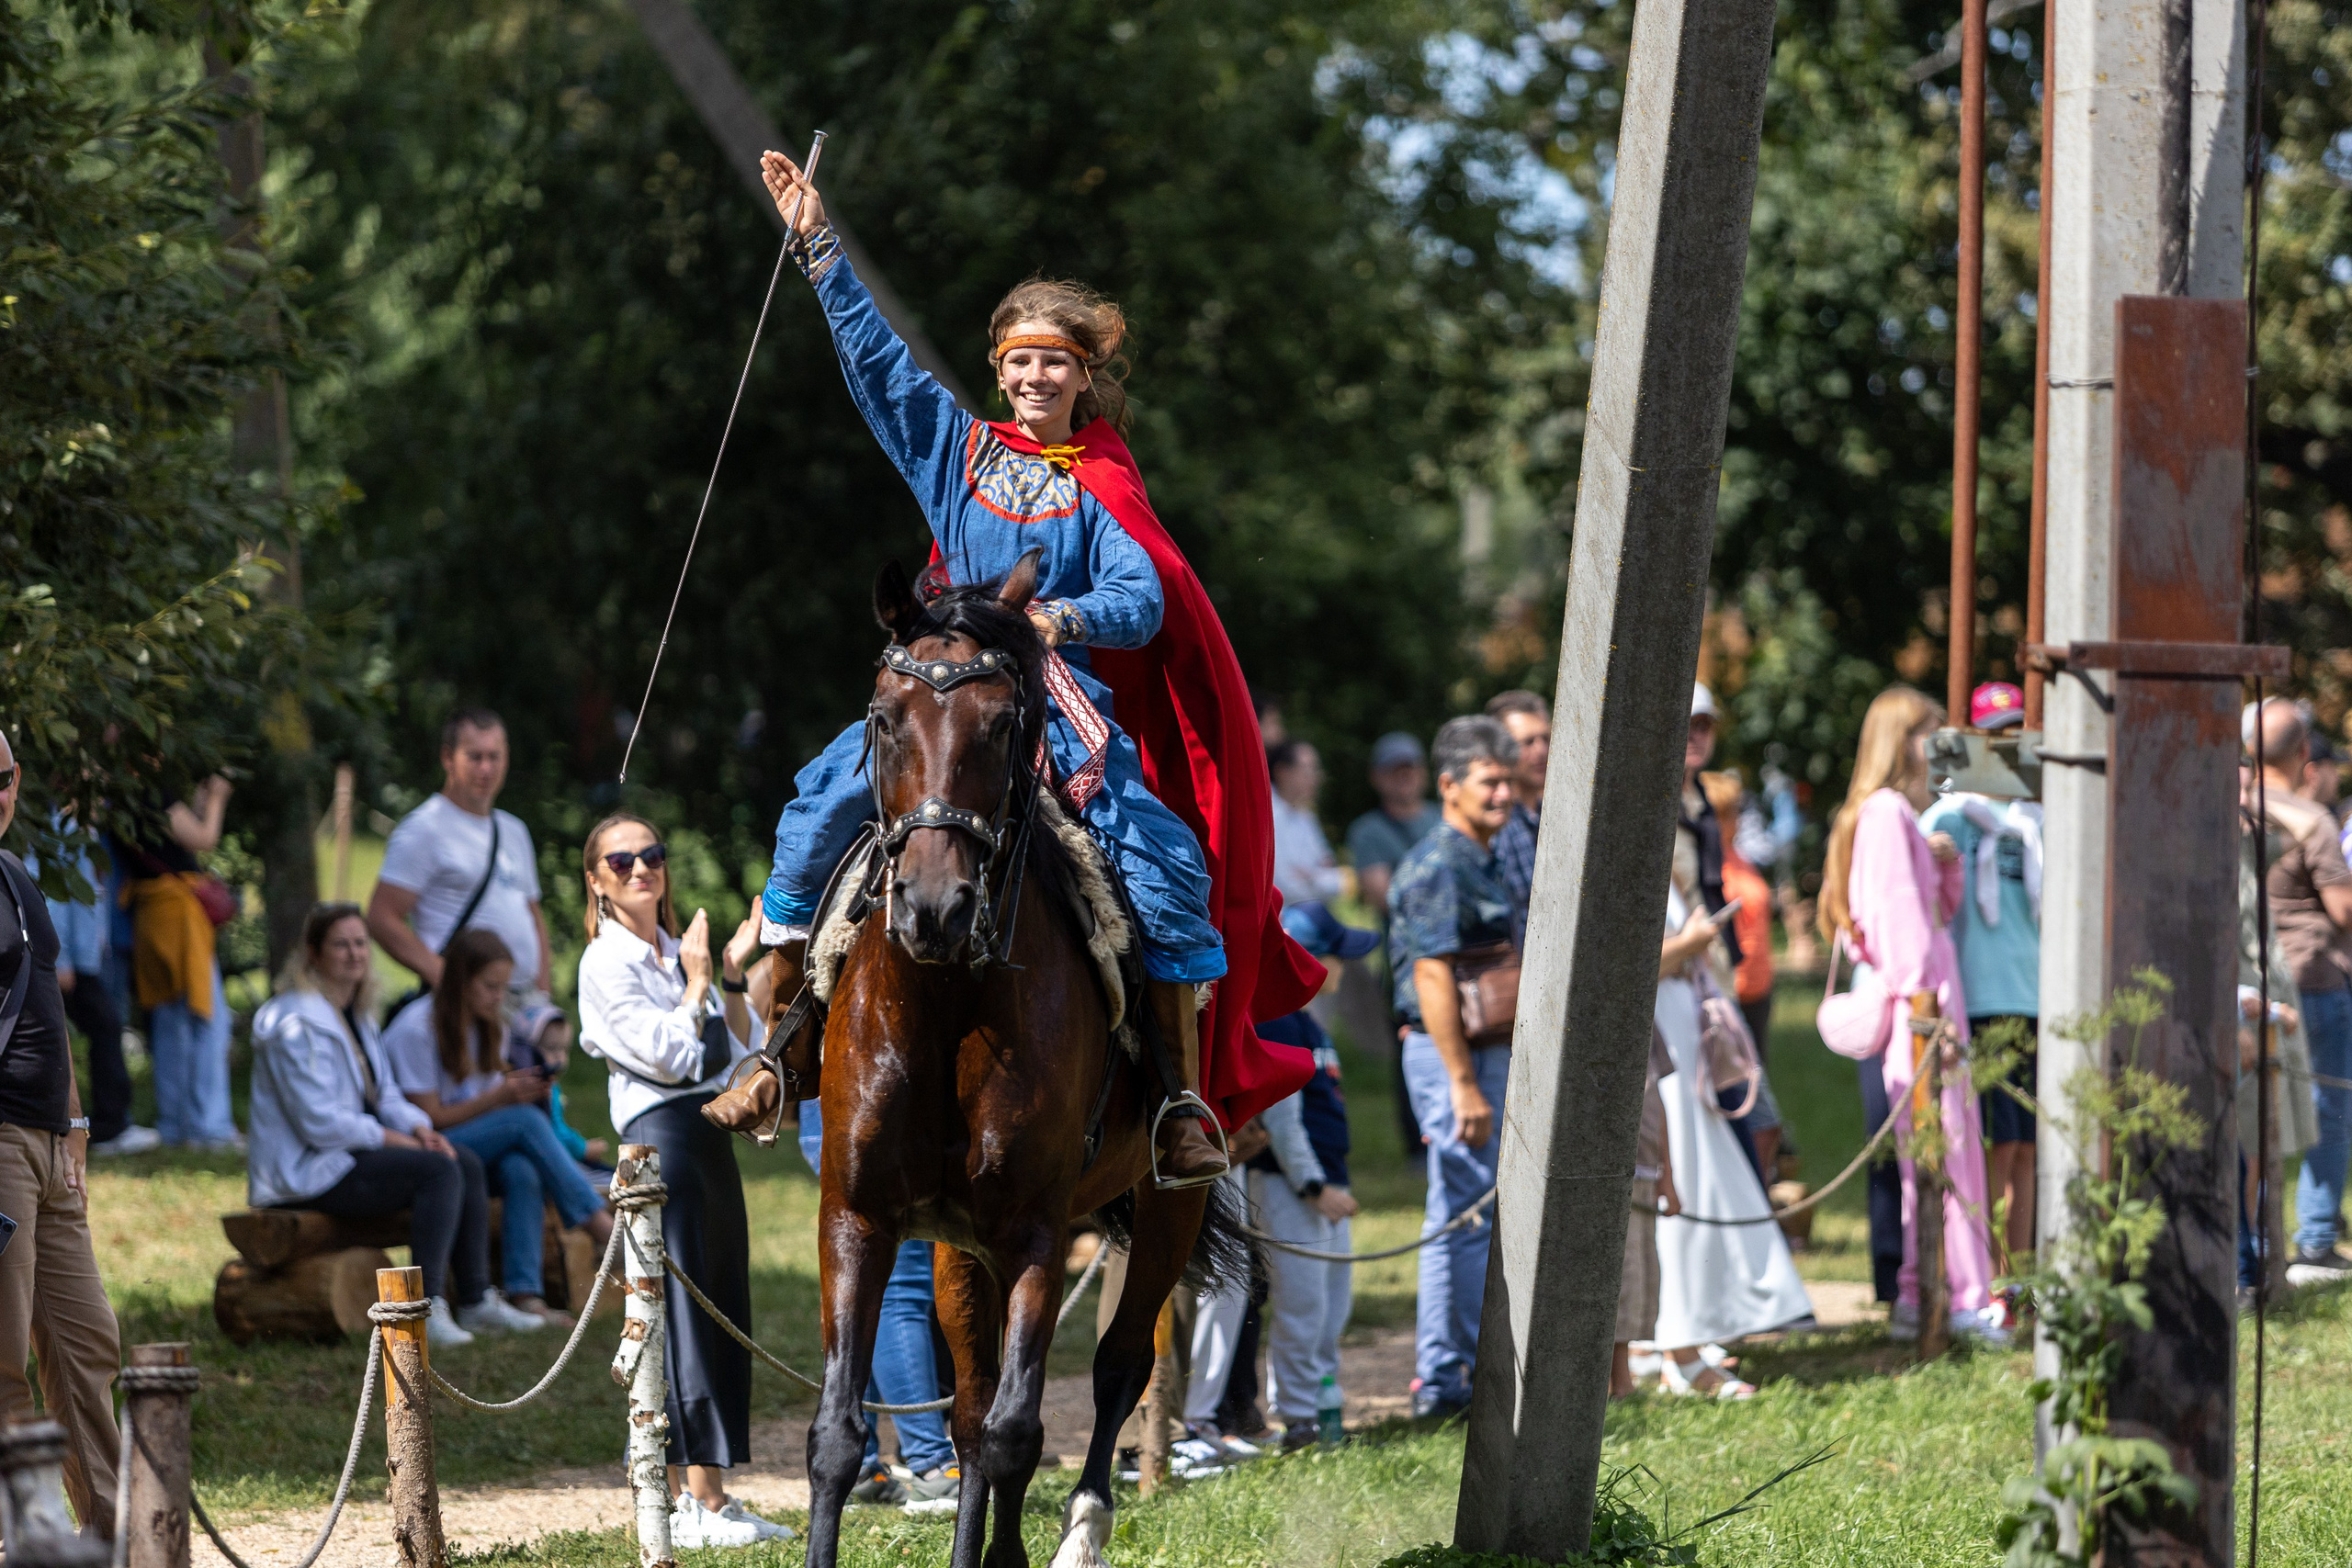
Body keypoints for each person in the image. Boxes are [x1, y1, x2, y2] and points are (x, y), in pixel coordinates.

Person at [752, 152, 1319, 1182]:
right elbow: (880, 366)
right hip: (942, 691)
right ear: (999, 369)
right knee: (818, 810)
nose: (1035, 378)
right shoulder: (955, 450)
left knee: (1165, 867)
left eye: (1055, 362)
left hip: (1056, 705)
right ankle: (778, 1053)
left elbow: (1143, 598)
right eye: (1018, 361)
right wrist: (819, 245)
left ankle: (1178, 1106)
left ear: (1084, 375)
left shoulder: (1104, 485)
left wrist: (1062, 615)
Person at [576, 813, 788, 1549]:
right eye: (622, 860)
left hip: (706, 1134)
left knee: (721, 1303)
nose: (642, 867)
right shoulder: (603, 963)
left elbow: (739, 1052)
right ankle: (686, 1502)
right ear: (598, 881)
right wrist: (696, 983)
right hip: (656, 1139)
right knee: (679, 1317)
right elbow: (668, 1056)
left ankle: (712, 1496)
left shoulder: (674, 950)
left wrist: (726, 972)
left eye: (652, 853)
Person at [1819, 686, 2004, 1341]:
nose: (1939, 746)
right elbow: (1901, 927)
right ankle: (1961, 1299)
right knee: (1944, 1151)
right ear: (1901, 740)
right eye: (1930, 732)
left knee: (1933, 1153)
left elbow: (1929, 913)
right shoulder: (1888, 812)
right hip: (1922, 1008)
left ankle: (1920, 1293)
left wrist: (1942, 867)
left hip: (1925, 1001)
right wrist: (1933, 1009)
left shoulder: (1890, 815)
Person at [249, 903, 495, 1348]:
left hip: (348, 1156)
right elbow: (319, 1123)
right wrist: (396, 1140)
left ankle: (477, 1300)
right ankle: (425, 1308)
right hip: (308, 1171)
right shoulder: (294, 1020)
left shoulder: (356, 1014)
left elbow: (386, 1096)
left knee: (464, 1161)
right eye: (341, 945)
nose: (354, 954)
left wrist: (419, 1130)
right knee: (437, 1172)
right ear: (313, 954)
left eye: (360, 944)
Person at [0, 730, 122, 1537]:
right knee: (2, 1354)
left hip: (49, 1147)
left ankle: (113, 1532)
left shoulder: (16, 873)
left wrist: (75, 1123)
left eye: (1, 777)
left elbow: (47, 1008)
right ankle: (33, 1536)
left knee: (87, 1341)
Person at [1388, 716, 1519, 1419]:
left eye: (1508, 780)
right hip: (1452, 1056)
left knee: (1467, 1211)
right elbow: (1432, 976)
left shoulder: (1482, 853)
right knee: (1463, 1213)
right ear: (1448, 785)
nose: (1503, 793)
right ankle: (1449, 1379)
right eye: (1489, 781)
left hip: (1481, 1052)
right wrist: (1462, 1081)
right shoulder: (1438, 863)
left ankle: (1455, 1369)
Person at [382, 930, 611, 1327]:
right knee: (524, 1122)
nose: (498, 997)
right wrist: (501, 1098)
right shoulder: (416, 1029)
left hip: (470, 1147)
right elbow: (429, 1118)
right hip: (418, 1147)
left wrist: (518, 1092)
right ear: (461, 981)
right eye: (490, 986)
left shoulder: (490, 1026)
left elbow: (484, 1104)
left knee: (521, 1168)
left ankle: (524, 1295)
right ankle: (601, 1227)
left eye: (504, 987)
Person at [1650, 878, 1812, 1394]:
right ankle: (1677, 1348)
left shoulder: (1669, 870)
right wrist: (1690, 945)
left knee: (1705, 1183)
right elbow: (1624, 965)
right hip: (1661, 1041)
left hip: (1685, 1034)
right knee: (1678, 1182)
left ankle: (1687, 1334)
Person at [1918, 682, 2042, 1266]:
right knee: (1993, 1143)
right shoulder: (1950, 813)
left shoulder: (2035, 816)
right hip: (1978, 995)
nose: (2004, 745)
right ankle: (1985, 1272)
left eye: (2015, 732)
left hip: (2033, 995)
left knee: (2028, 1146)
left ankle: (2019, 1274)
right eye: (1993, 735)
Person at [795, 1098, 960, 1513]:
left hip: (836, 1111)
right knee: (900, 1289)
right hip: (881, 1109)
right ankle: (931, 1466)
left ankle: (858, 1470)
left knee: (863, 1287)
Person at [1248, 904, 1368, 1450]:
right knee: (1302, 1306)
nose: (1342, 966)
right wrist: (1312, 1186)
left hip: (1327, 1184)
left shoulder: (1309, 1021)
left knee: (1330, 1308)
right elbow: (1282, 1119)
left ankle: (1323, 1405)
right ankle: (1298, 1417)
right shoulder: (1277, 1019)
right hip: (1293, 1188)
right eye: (1335, 955)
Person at [2245, 698, 2352, 1280]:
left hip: (2254, 982)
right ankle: (2314, 1242)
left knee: (2260, 1114)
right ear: (2305, 752)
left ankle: (2258, 1247)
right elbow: (2343, 909)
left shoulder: (2237, 809)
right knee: (2328, 1110)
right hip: (2315, 976)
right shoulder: (2312, 821)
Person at [368, 709, 554, 1000]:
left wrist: (543, 998)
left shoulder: (514, 830)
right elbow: (381, 917)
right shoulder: (425, 828)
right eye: (475, 757)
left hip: (523, 1003)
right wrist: (446, 980)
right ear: (448, 758)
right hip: (465, 1004)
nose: (486, 769)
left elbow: (533, 918)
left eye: (494, 757)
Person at [1678, 691, 1781, 1187]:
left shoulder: (1699, 804)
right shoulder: (1658, 808)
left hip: (1719, 987)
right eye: (1687, 723)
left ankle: (1759, 1211)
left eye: (1705, 725)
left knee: (1753, 1119)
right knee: (1735, 1125)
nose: (1696, 735)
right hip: (1680, 991)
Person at [121, 774, 239, 1149]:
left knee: (171, 1022)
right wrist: (218, 798)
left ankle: (175, 1124)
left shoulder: (122, 794)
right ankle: (210, 1128)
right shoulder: (151, 791)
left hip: (151, 915)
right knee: (208, 1020)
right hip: (178, 917)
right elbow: (203, 838)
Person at [28, 827, 155, 1155]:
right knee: (98, 1029)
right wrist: (62, 959)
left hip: (80, 960)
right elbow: (56, 898)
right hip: (68, 962)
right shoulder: (62, 829)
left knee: (98, 1030)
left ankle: (100, 1124)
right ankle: (108, 1125)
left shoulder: (82, 829)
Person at [1344, 731, 1442, 1151]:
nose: (1404, 777)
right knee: (1413, 1045)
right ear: (1378, 778)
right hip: (1406, 962)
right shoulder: (1368, 831)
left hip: (1460, 955)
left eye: (1410, 768)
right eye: (1394, 770)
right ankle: (1418, 1146)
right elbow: (1382, 896)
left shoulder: (1443, 817)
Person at [1611, 1027, 1679, 1400]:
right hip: (1615, 1172)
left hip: (1648, 1170)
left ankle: (1624, 1377)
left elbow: (1658, 1100)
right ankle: (1618, 1381)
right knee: (1621, 1278)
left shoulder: (1648, 1020)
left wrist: (1667, 1175)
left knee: (1642, 1278)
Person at [1483, 691, 1551, 941]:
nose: (1541, 750)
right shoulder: (1495, 826)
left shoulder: (1554, 815)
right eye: (1528, 742)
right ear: (1499, 751)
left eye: (1546, 738)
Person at [1270, 740, 1344, 908]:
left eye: (1317, 770)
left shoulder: (1306, 816)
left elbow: (1331, 869)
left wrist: (1312, 878)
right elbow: (1282, 886)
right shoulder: (1267, 813)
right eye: (1308, 770)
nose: (1316, 778)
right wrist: (1321, 878)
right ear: (1282, 772)